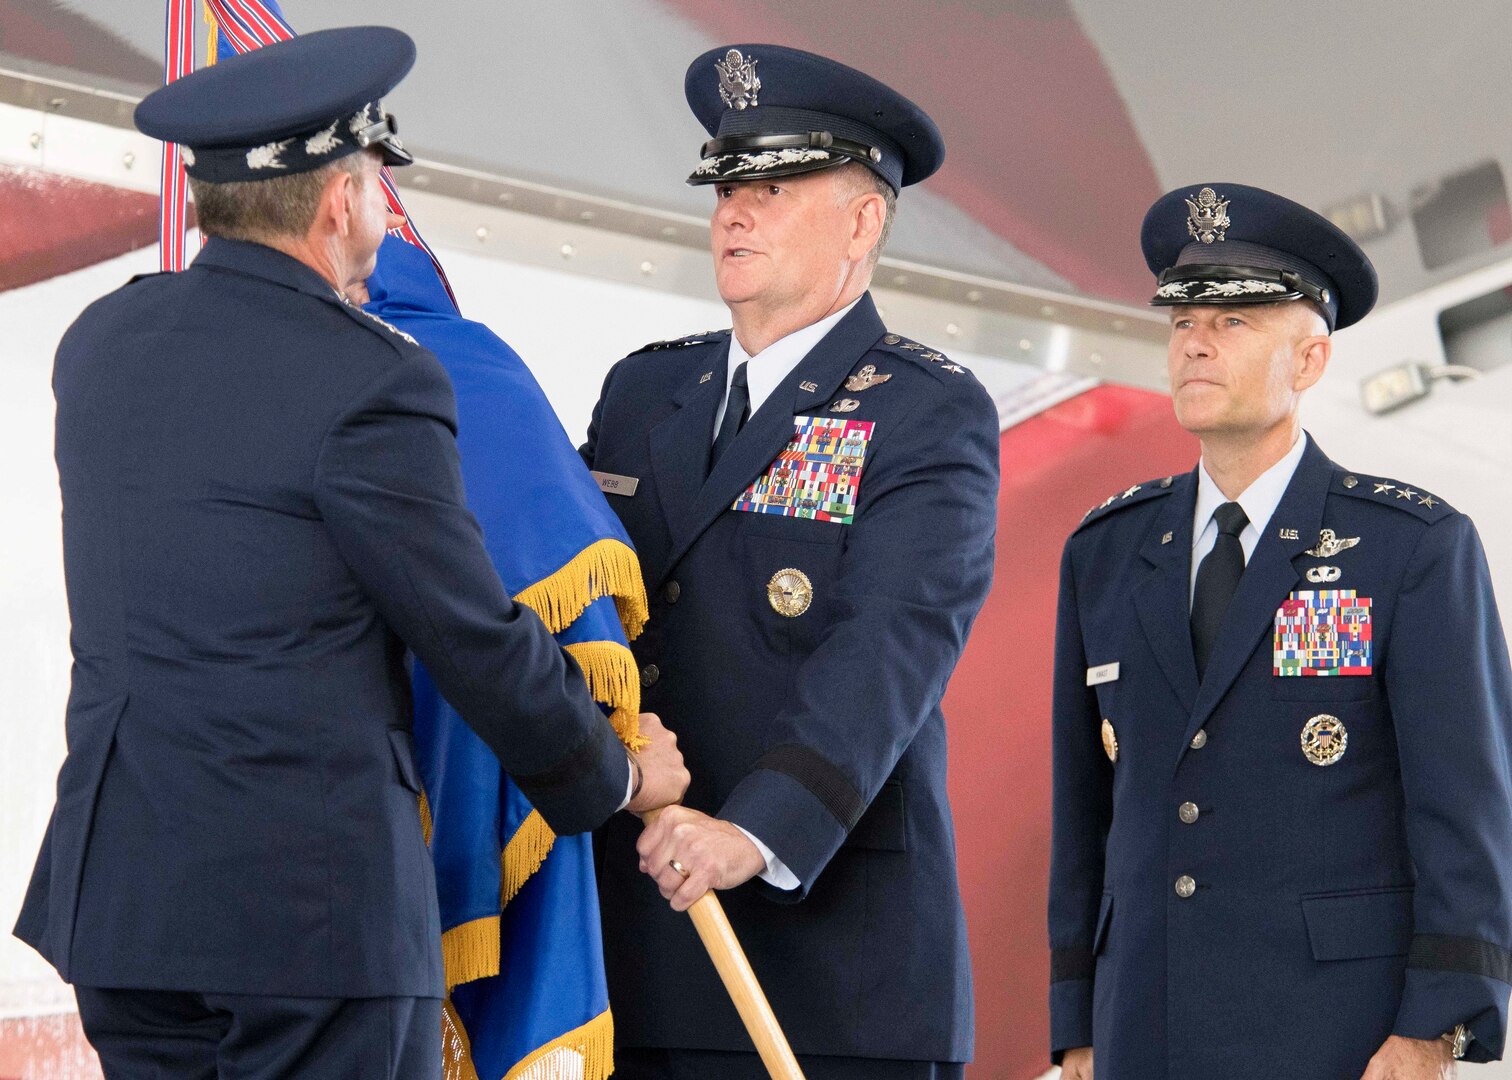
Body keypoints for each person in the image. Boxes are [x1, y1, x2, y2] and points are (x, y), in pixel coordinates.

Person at [13, 27, 687, 1080]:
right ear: (340, 201)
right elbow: (470, 632)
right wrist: (612, 777)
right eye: (378, 184)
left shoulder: (102, 345)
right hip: (308, 920)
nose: (382, 211)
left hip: (125, 905)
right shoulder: (373, 379)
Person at [581, 43, 999, 1080]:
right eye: (727, 185)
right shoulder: (642, 396)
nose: (734, 212)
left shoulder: (926, 410)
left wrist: (754, 832)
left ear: (863, 223)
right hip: (640, 948)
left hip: (832, 974)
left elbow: (892, 645)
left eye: (773, 188)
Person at [1048, 183, 1512, 1079]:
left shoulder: (1409, 549)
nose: (1197, 340)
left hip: (1337, 1028)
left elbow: (1466, 813)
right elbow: (1085, 816)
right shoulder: (1105, 553)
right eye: (1184, 317)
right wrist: (1076, 1021)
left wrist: (1434, 1028)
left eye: (1236, 319)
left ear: (1309, 360)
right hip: (1145, 1020)